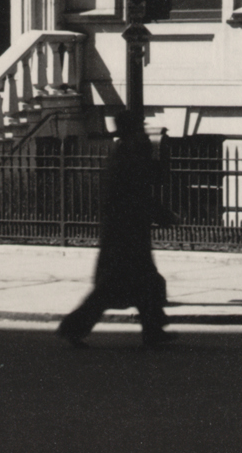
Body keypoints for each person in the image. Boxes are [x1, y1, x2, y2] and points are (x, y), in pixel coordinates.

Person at [57, 123, 171, 347]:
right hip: (125, 237)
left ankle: (153, 330)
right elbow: (137, 195)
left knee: (143, 285)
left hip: (124, 235)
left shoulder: (122, 156)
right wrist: (163, 214)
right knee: (112, 290)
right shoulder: (127, 159)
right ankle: (72, 328)